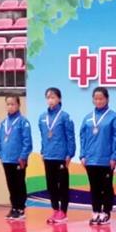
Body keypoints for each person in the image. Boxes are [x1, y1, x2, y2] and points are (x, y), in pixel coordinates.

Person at [79, 87, 116, 226]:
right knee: (94, 187)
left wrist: (114, 157)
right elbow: (82, 137)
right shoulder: (88, 118)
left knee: (106, 187)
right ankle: (96, 211)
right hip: (90, 159)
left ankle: (106, 212)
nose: (98, 101)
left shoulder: (113, 117)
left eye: (101, 98)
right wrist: (82, 155)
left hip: (106, 159)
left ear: (107, 99)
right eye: (96, 99)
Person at [39, 87, 75, 224]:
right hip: (48, 156)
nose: (50, 100)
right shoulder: (42, 117)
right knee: (51, 185)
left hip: (61, 156)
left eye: (53, 97)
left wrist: (70, 154)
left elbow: (70, 137)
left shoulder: (65, 117)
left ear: (59, 99)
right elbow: (43, 136)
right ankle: (55, 209)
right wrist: (42, 151)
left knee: (62, 186)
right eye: (48, 97)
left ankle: (63, 212)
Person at [0, 94, 32, 220]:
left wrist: (23, 156)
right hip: (7, 159)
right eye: (8, 104)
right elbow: (0, 140)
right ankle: (14, 207)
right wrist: (1, 155)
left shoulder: (23, 122)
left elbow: (27, 142)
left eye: (13, 104)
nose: (10, 107)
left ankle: (21, 208)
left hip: (19, 160)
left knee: (19, 184)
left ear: (18, 105)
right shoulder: (3, 123)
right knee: (11, 184)